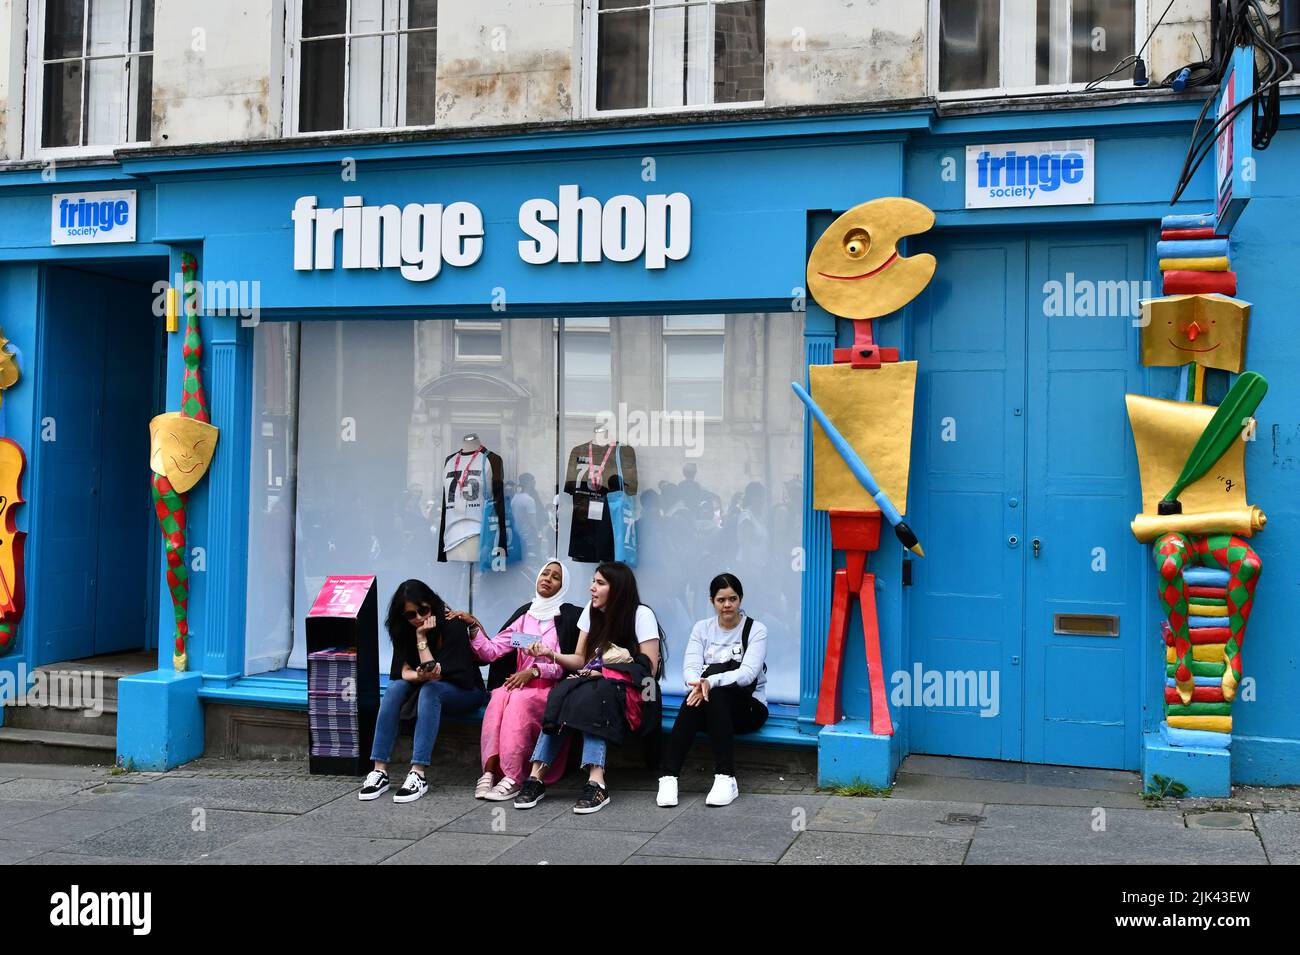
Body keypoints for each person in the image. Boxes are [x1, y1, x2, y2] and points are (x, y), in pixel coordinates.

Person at [514, 561, 662, 815]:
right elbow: (580, 660)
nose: (591, 588)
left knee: (595, 696)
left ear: (618, 589)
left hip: (635, 690)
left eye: (600, 583)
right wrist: (551, 654)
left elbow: (650, 668)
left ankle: (597, 781)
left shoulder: (641, 614)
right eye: (593, 581)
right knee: (564, 692)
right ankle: (536, 776)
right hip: (594, 683)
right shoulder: (590, 612)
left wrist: (606, 672)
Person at [450, 561, 582, 801]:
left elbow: (567, 665)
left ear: (563, 586)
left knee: (519, 701)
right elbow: (491, 651)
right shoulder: (525, 616)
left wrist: (534, 671)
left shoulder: (567, 618)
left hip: (551, 689)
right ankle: (489, 772)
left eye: (555, 577)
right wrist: (472, 627)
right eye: (544, 573)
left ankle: (513, 776)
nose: (547, 579)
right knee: (499, 696)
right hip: (519, 685)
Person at [359, 580, 488, 803]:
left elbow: (436, 673)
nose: (418, 617)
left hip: (466, 690)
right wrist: (419, 669)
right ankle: (379, 769)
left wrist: (421, 641)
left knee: (431, 690)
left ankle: (418, 772)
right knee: (394, 688)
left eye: (423, 610)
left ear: (433, 605)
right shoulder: (403, 630)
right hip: (428, 684)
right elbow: (402, 672)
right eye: (410, 615)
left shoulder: (452, 625)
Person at [657, 572, 768, 809]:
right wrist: (698, 684)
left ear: (740, 599)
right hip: (711, 709)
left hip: (748, 708)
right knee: (696, 698)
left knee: (710, 694)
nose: (727, 605)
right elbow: (689, 667)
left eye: (733, 598)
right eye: (721, 600)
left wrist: (710, 681)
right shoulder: (702, 629)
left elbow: (747, 674)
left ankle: (726, 777)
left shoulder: (756, 630)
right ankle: (669, 778)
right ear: (712, 601)